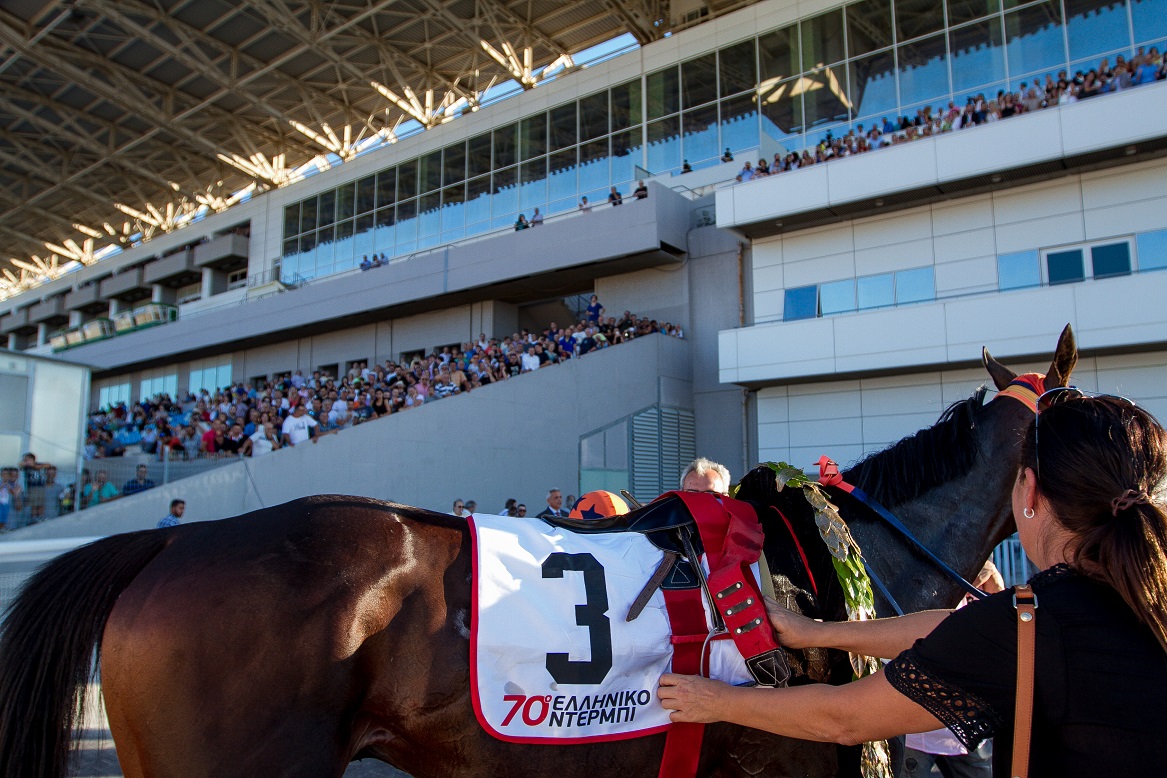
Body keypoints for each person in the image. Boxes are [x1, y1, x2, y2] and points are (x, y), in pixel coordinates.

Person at [658, 393, 1167, 776]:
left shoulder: (1032, 625)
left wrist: (717, 703)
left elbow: (844, 720)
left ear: (1029, 490)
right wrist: (817, 633)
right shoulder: (1138, 597)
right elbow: (956, 626)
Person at [0, 466, 23, 531]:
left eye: (15, 476)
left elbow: (19, 507)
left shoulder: (17, 487)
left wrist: (15, 494)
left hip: (12, 522)